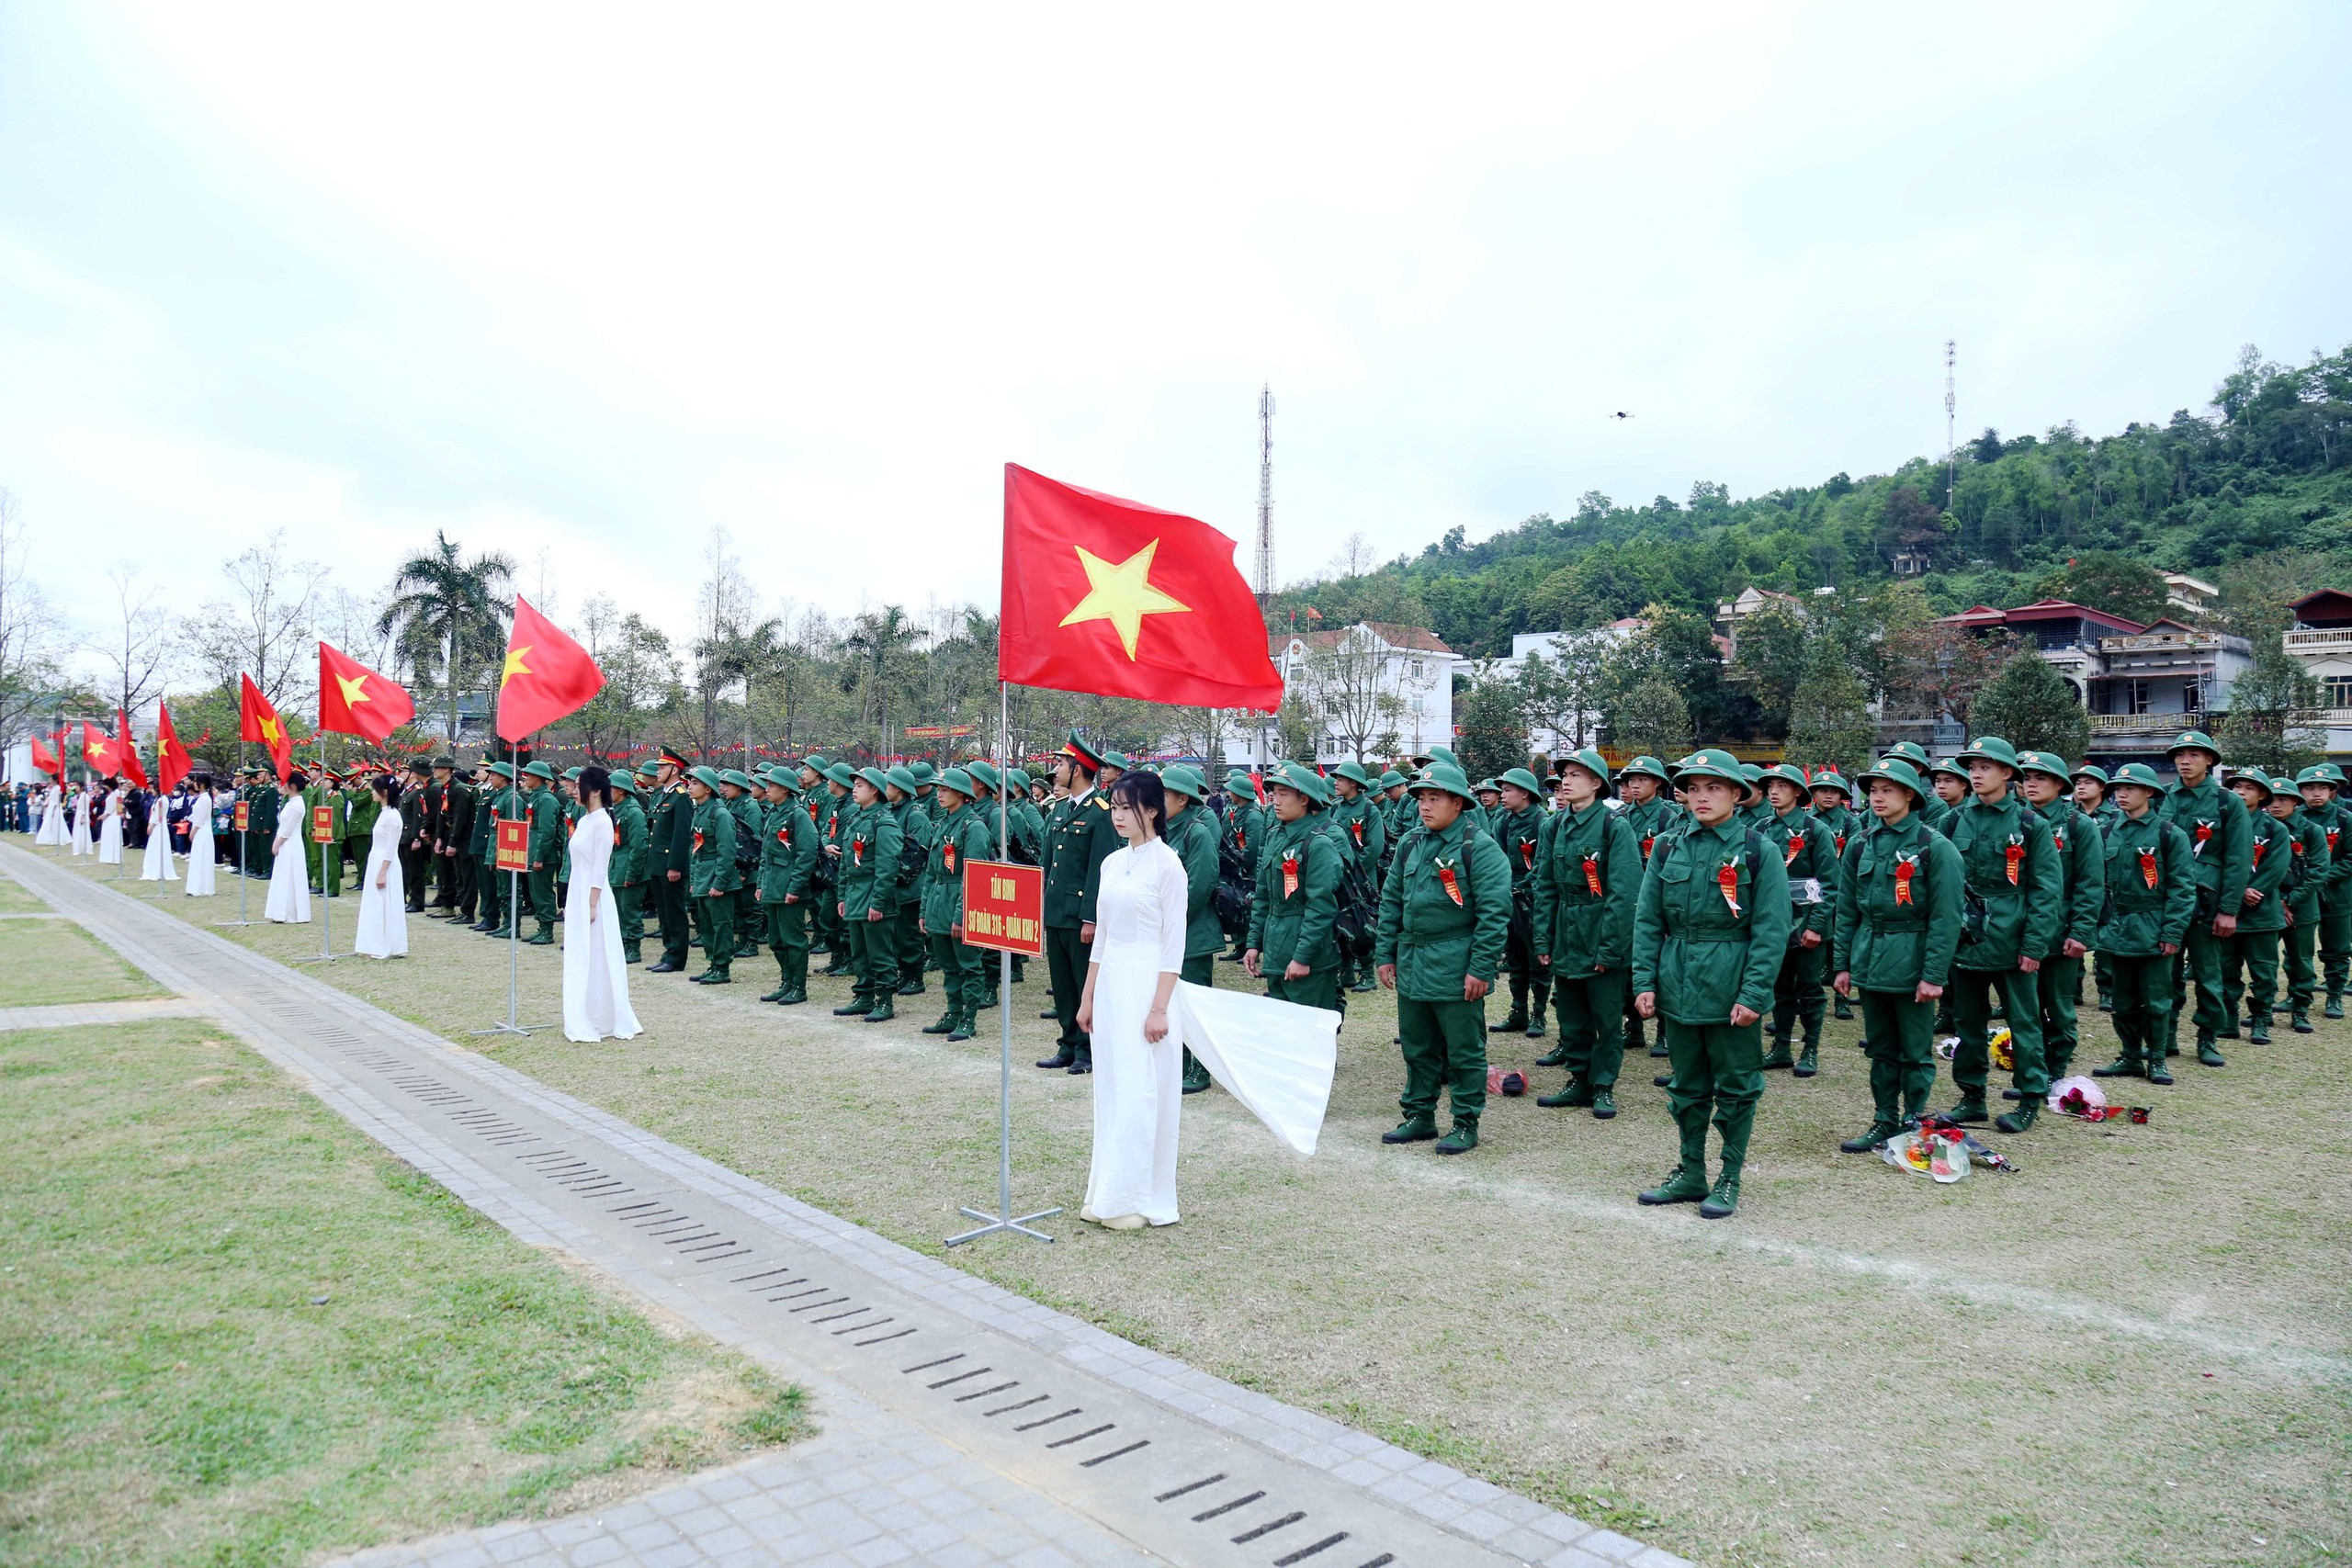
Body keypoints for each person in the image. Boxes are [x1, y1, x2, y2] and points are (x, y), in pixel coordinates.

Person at [1632, 748, 1791, 1219]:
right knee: (1686, 1086)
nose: (1701, 797)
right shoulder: (1666, 846)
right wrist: (1644, 980)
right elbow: (1647, 920)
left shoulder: (1759, 851)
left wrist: (1754, 994)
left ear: (1738, 795)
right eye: (1693, 788)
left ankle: (1729, 1175)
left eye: (1714, 787)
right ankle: (1690, 1171)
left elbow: (1770, 929)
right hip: (1678, 978)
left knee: (1738, 1088)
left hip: (1731, 980)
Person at [1074, 770, 1192, 1228]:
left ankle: (1140, 1200)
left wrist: (1159, 1007)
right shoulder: (1109, 863)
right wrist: (1087, 998)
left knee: (1143, 1089)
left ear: (1153, 810)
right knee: (1114, 1089)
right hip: (1111, 987)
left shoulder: (1168, 866)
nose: (1119, 816)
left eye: (1128, 807)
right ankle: (1108, 1192)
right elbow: (1101, 939)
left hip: (1149, 985)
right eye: (1115, 807)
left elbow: (1173, 944)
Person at [1375, 763, 1512, 1154]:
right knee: (1417, 1046)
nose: (1425, 806)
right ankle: (1419, 1116)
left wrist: (1480, 968)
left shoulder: (1479, 848)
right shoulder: (1411, 843)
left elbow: (1493, 914)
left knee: (1463, 1049)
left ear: (1458, 802)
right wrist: (1386, 953)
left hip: (1456, 959)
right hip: (1414, 957)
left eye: (1435, 798)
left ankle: (1466, 1122)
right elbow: (1390, 902)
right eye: (1421, 798)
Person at [1832, 758, 1963, 1151]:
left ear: (1910, 794)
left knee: (1916, 1050)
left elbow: (1946, 917)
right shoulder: (1859, 844)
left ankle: (1914, 1119)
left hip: (1913, 958)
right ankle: (1884, 1119)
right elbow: (1847, 909)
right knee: (1881, 1048)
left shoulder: (1933, 847)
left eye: (1887, 790)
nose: (1877, 798)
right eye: (1872, 791)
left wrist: (1934, 974)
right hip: (1871, 956)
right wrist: (1841, 964)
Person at [1939, 736, 2062, 1133]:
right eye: (1971, 767)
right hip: (1965, 939)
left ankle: (2029, 1098)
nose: (1975, 774)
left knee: (2025, 1023)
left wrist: (2034, 944)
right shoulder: (1952, 821)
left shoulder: (2030, 824)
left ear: (2008, 774)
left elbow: (2046, 890)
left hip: (2012, 940)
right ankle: (1971, 1097)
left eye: (1985, 767)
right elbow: (1940, 885)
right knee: (1967, 1025)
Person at [1528, 749, 1639, 1119]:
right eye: (1564, 776)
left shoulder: (1614, 826)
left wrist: (1610, 948)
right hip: (1566, 927)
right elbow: (1543, 885)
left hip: (1602, 926)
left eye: (1577, 775)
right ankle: (1578, 1079)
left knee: (1606, 1016)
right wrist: (1543, 939)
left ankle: (1603, 1084)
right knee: (1572, 1012)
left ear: (1596, 783)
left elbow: (1624, 893)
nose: (1567, 782)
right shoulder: (1553, 825)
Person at [2092, 765, 2198, 1084]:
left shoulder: (2169, 834)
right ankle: (2129, 1055)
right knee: (2122, 1001)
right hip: (2117, 927)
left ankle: (2157, 1058)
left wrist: (2172, 931)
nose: (2121, 794)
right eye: (2118, 789)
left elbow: (2182, 887)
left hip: (2153, 925)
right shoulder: (2107, 831)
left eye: (2130, 788)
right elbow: (2096, 883)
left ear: (2150, 792)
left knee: (2156, 1000)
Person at [2158, 729, 2251, 1066]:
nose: (2185, 760)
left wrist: (2229, 909)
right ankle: (2164, 1036)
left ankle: (2207, 1037)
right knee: (2164, 974)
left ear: (2210, 760)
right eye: (2180, 755)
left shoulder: (2228, 802)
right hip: (2166, 900)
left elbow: (2239, 859)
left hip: (2207, 901)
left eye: (2194, 755)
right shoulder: (2163, 797)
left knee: (2208, 974)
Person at [2012, 750, 2103, 1087]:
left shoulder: (2079, 825)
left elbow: (2091, 884)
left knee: (2058, 1006)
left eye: (2041, 778)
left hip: (2060, 931)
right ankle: (2031, 1068)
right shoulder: (2015, 820)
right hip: (2020, 929)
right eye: (2027, 778)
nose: (2031, 784)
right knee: (2025, 1008)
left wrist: (2080, 932)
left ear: (2059, 784)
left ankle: (2057, 1066)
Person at [1039, 736, 1121, 1074]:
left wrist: (1091, 918)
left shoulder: (1100, 814)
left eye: (1061, 764)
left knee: (1084, 983)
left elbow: (1099, 872)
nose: (1055, 769)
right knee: (1062, 984)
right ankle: (1068, 1044)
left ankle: (1089, 1049)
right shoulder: (1059, 809)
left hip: (1080, 918)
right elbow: (1047, 865)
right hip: (1057, 913)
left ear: (1077, 770)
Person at [1245, 762, 1344, 1014]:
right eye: (1274, 793)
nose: (1275, 800)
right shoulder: (1275, 835)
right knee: (1283, 1033)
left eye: (1284, 794)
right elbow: (1263, 896)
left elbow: (1320, 907)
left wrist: (1303, 957)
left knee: (1310, 1033)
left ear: (1304, 799)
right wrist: (1254, 943)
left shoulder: (1319, 843)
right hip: (1277, 949)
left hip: (1310, 955)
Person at [1755, 763, 1830, 1076]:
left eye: (1781, 786)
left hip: (1808, 921)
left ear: (1798, 792)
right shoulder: (1761, 828)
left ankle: (1810, 1049)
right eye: (1770, 785)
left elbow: (1830, 884)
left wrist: (1816, 926)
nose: (1773, 790)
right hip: (1776, 922)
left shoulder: (1815, 830)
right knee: (1781, 987)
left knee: (1810, 988)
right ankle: (1781, 1047)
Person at [561, 766, 641, 1041]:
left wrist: (592, 903)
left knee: (597, 953)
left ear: (595, 790)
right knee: (581, 952)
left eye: (578, 785)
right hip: (577, 889)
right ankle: (583, 1010)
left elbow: (600, 867)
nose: (573, 791)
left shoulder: (603, 822)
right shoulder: (584, 820)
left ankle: (603, 1016)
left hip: (593, 894)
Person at [1159, 765, 1225, 1094]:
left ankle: (1200, 1070)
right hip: (1164, 933)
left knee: (1194, 1005)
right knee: (1169, 1002)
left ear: (1182, 799)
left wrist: (1170, 922)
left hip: (1192, 933)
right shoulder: (1160, 831)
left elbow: (1200, 885)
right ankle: (1178, 1063)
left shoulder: (1196, 832)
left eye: (1164, 794)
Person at [918, 767, 993, 1037]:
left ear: (962, 794)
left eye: (945, 789)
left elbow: (974, 877)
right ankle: (953, 1012)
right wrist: (924, 910)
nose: (939, 794)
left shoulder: (973, 828)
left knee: (969, 965)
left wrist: (962, 916)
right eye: (938, 789)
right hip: (940, 902)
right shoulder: (943, 824)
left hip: (961, 903)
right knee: (949, 966)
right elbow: (931, 873)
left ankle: (968, 1019)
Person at [2221, 769, 2292, 1046]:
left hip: (2261, 913)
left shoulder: (2274, 828)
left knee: (2263, 971)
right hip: (2228, 910)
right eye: (2237, 786)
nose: (2241, 792)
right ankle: (2228, 1019)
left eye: (2249, 788)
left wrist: (2253, 890)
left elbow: (2276, 867)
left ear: (2262, 795)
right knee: (2226, 968)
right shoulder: (2223, 824)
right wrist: (2237, 893)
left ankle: (2261, 1020)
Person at [1486, 768, 1550, 1038]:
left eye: (1508, 790)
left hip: (1534, 898)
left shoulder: (1542, 821)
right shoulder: (1503, 821)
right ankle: (1518, 1011)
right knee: (1514, 957)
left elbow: (1545, 863)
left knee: (1538, 959)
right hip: (1509, 897)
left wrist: (1525, 887)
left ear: (1525, 793)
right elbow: (1496, 857)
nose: (1503, 795)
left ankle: (1539, 1014)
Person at [754, 766, 819, 1006]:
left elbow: (807, 853)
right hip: (772, 883)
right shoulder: (773, 812)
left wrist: (795, 887)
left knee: (793, 939)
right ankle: (786, 981)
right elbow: (765, 852)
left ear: (785, 788)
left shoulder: (797, 814)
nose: (767, 788)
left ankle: (798, 987)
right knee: (776, 940)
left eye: (771, 785)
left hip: (789, 885)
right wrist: (761, 882)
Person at [2282, 766, 2338, 1031]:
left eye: (2322, 788)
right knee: (2274, 958)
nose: (2316, 793)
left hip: (2314, 899)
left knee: (2318, 954)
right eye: (2309, 788)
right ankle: (2280, 1002)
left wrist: (2292, 899)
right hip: (2272, 902)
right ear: (2300, 793)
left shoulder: (2340, 820)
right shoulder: (2267, 825)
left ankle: (2316, 1002)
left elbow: (2319, 869)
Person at [1807, 772, 1861, 1021]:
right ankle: (1809, 997)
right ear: (1813, 794)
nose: (1828, 795)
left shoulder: (1850, 822)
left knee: (1840, 945)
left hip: (1842, 891)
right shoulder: (1806, 821)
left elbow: (1855, 857)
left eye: (1834, 791)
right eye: (1822, 790)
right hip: (1813, 893)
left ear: (1842, 796)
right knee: (1815, 950)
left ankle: (1842, 1000)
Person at [353, 774, 409, 958]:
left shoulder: (392, 816)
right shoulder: (384, 813)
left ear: (383, 792)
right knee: (376, 903)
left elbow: (391, 847)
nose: (371, 792)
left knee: (385, 903)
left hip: (386, 862)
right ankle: (374, 942)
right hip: (376, 858)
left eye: (374, 789)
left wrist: (383, 872)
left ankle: (388, 944)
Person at [265, 772, 312, 923]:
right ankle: (280, 911)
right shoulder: (291, 802)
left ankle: (290, 912)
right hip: (286, 841)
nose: (282, 786)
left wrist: (277, 843)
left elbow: (287, 829)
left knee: (290, 876)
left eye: (285, 783)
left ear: (292, 786)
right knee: (283, 874)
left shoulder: (297, 805)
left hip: (290, 842)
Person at [183, 775, 218, 897]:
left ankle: (202, 887)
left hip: (202, 830)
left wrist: (193, 831)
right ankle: (196, 885)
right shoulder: (201, 797)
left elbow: (201, 818)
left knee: (201, 856)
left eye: (196, 782)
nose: (194, 784)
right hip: (200, 829)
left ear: (202, 784)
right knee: (198, 857)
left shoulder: (204, 799)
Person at [138, 787, 176, 883]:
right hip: (156, 825)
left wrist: (152, 825)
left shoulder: (161, 800)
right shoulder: (158, 799)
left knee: (159, 846)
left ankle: (159, 869)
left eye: (153, 789)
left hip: (158, 826)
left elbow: (158, 816)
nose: (152, 791)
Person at [97, 780, 125, 864]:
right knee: (109, 836)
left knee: (113, 836)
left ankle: (113, 857)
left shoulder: (117, 793)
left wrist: (105, 815)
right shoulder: (114, 793)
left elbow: (115, 807)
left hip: (112, 817)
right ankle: (109, 856)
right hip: (111, 816)